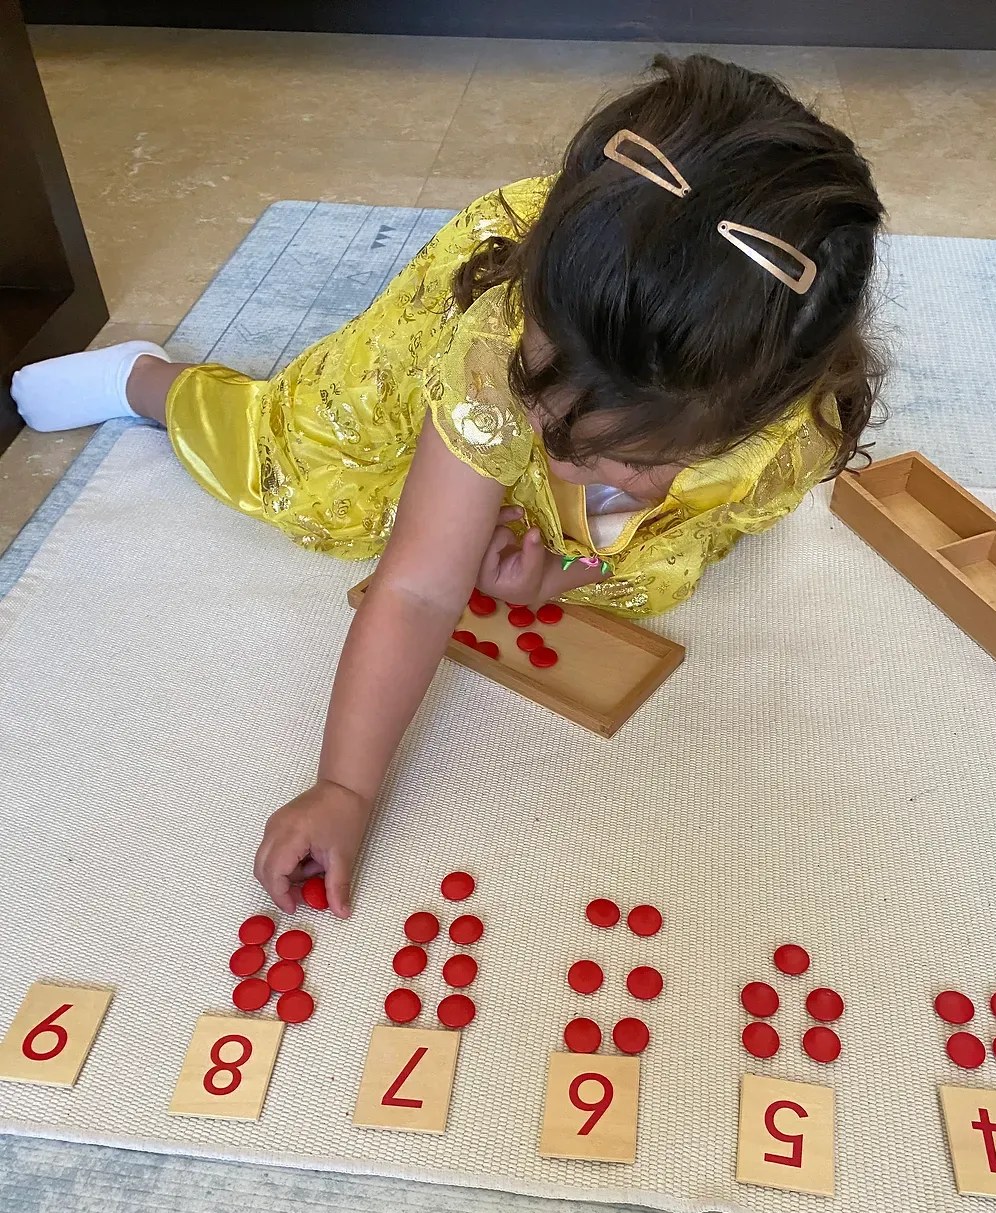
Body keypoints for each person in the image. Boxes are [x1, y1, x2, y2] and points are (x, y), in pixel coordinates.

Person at [12, 54, 885, 919]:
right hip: (430, 387)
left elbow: (664, 512)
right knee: (300, 467)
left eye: (627, 459)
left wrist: (560, 573)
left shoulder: (790, 418)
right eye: (557, 425)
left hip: (640, 363)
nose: (572, 463)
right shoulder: (497, 349)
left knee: (648, 579)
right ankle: (148, 384)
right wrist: (345, 788)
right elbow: (422, 587)